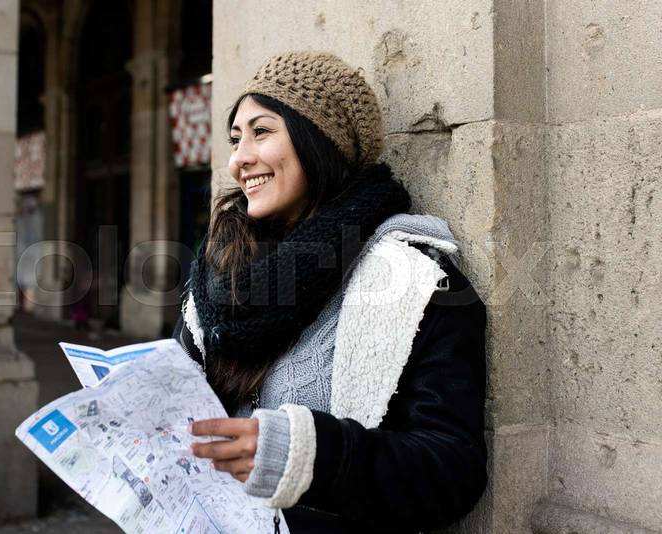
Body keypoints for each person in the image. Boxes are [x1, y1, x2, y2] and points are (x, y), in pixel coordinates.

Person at [173, 51, 487, 534]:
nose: (239, 160)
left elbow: (450, 470)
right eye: (236, 139)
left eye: (262, 131)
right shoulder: (220, 275)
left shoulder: (415, 282)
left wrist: (308, 455)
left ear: (320, 141)